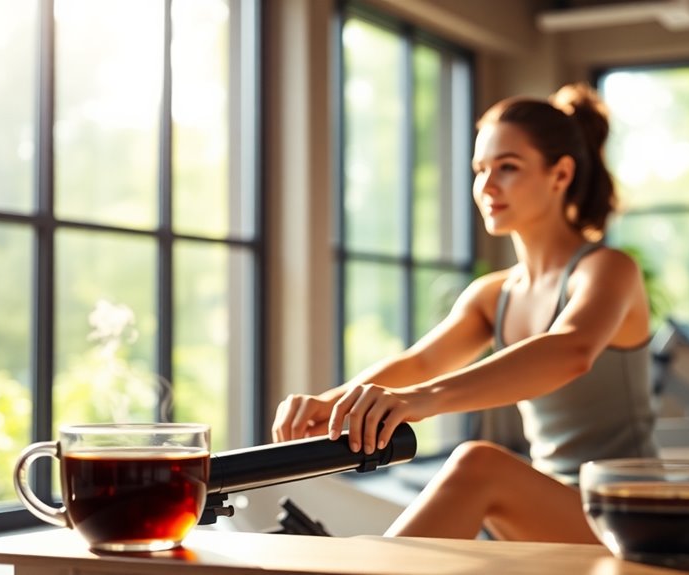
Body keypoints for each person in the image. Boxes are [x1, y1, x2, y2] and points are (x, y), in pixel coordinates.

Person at [272, 82, 657, 543]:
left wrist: (421, 400)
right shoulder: (493, 295)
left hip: (634, 517)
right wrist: (332, 403)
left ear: (560, 175)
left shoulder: (609, 269)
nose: (488, 186)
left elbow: (571, 350)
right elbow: (420, 362)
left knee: (480, 466)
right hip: (553, 505)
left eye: (508, 168)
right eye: (480, 169)